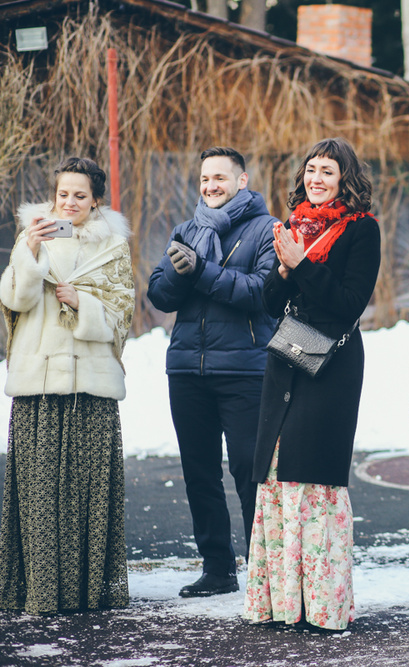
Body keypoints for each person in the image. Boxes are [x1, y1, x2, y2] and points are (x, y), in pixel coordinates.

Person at [242, 137, 380, 631]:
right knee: (277, 471)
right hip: (287, 359)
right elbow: (270, 304)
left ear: (345, 179)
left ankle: (321, 605)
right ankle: (280, 603)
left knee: (313, 474)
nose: (316, 179)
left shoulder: (362, 231)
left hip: (332, 366)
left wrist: (301, 265)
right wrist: (283, 270)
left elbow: (349, 303)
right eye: (311, 170)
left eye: (328, 171)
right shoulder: (293, 226)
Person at [0, 157, 134, 614]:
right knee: (40, 492)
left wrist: (85, 303)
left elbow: (123, 315)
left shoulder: (113, 248)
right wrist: (31, 253)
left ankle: (88, 589)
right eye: (63, 194)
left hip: (91, 387)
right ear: (53, 196)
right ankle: (39, 588)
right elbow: (14, 299)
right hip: (38, 384)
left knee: (87, 492)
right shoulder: (30, 237)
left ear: (96, 198)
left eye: (80, 195)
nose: (70, 202)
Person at [147, 146, 279, 598]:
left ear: (242, 181)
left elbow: (261, 294)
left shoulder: (267, 229)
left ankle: (264, 570)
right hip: (187, 369)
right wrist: (184, 273)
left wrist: (200, 270)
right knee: (199, 473)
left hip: (245, 370)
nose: (210, 186)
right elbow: (161, 295)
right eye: (205, 178)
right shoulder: (188, 229)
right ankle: (218, 569)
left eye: (220, 178)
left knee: (248, 472)